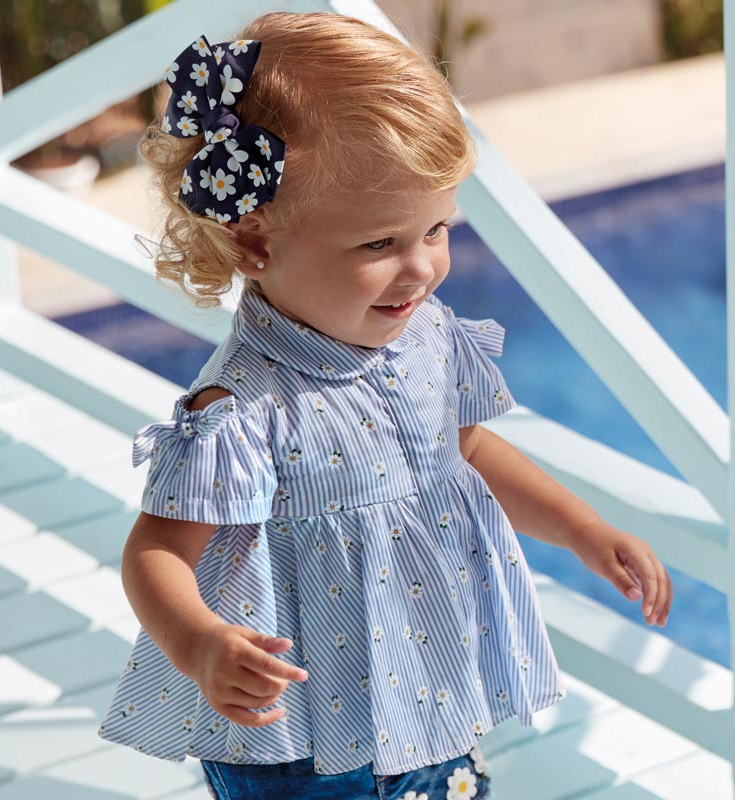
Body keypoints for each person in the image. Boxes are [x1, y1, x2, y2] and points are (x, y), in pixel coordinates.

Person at [97, 11, 673, 800]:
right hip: (297, 725)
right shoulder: (244, 407)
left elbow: (466, 452)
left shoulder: (426, 338)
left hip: (424, 679)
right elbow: (156, 550)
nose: (422, 269)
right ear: (254, 242)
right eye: (379, 245)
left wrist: (583, 530)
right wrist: (200, 644)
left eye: (436, 229)